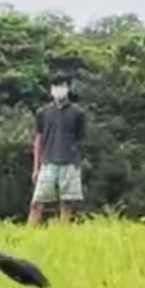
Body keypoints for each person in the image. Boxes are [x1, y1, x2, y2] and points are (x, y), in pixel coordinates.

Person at [28, 74, 87, 225]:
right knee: (37, 202)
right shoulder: (43, 113)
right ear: (51, 89)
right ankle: (28, 232)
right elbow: (38, 140)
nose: (58, 90)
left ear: (67, 88)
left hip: (69, 162)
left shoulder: (78, 113)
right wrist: (36, 167)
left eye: (61, 86)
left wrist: (77, 163)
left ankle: (62, 232)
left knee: (67, 203)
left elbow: (80, 140)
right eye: (55, 86)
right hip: (48, 162)